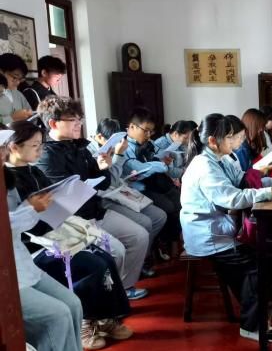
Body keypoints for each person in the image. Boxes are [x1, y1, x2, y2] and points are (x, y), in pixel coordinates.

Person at [6, 121, 132, 350]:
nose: (40, 151)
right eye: (35, 146)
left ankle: (106, 317)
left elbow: (53, 201)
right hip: (36, 244)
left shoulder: (34, 171)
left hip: (55, 231)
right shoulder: (9, 180)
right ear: (14, 147)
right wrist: (37, 209)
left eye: (41, 145)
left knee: (105, 257)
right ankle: (87, 321)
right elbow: (19, 224)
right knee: (92, 265)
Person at [180, 113, 272, 340]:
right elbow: (232, 198)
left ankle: (263, 306)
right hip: (210, 235)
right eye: (232, 137)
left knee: (269, 254)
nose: (238, 142)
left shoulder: (221, 158)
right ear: (213, 140)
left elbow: (243, 182)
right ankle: (252, 325)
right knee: (258, 266)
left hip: (222, 228)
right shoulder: (204, 166)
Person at [35, 96, 151, 300]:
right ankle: (108, 297)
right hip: (72, 219)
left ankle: (123, 288)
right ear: (53, 123)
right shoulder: (46, 154)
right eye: (72, 120)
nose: (78, 123)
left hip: (95, 210)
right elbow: (64, 195)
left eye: (79, 119)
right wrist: (90, 180)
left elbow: (103, 184)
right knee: (116, 251)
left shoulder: (79, 146)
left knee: (139, 236)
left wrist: (104, 167)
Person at [3, 155, 87, 351]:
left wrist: (34, 206)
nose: (3, 153)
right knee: (56, 316)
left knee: (72, 303)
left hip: (21, 263)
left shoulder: (7, 176)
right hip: (7, 276)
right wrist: (30, 209)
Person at [88, 117, 168, 270]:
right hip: (104, 198)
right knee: (145, 222)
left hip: (120, 191)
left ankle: (142, 257)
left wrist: (118, 157)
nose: (115, 146)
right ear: (99, 137)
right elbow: (109, 182)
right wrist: (117, 155)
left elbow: (117, 177)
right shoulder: (90, 152)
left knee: (159, 216)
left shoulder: (120, 147)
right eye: (111, 142)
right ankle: (137, 263)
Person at [123, 107, 181, 259]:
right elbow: (136, 169)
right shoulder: (124, 146)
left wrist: (165, 160)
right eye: (146, 131)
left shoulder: (148, 143)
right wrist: (159, 165)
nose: (149, 135)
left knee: (178, 201)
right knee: (167, 207)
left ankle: (171, 243)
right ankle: (158, 246)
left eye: (151, 131)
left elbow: (158, 157)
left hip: (154, 184)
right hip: (137, 189)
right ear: (132, 127)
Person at [0, 53, 32, 124]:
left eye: (20, 79)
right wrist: (12, 118)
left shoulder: (18, 94)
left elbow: (31, 116)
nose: (17, 82)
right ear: (1, 72)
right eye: (14, 77)